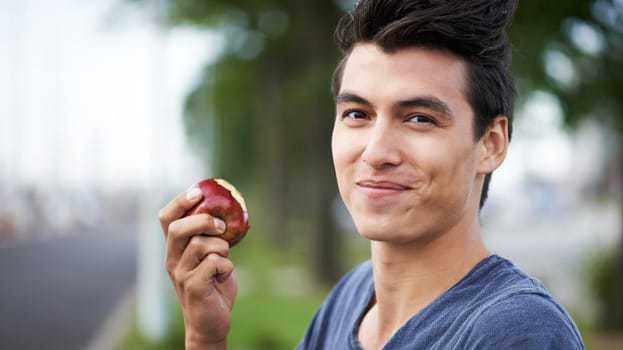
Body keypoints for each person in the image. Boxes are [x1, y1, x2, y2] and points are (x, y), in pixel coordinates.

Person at [157, 0, 585, 349]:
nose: (376, 152)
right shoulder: (349, 299)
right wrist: (206, 338)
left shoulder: (517, 333)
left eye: (419, 119)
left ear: (491, 144)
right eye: (357, 114)